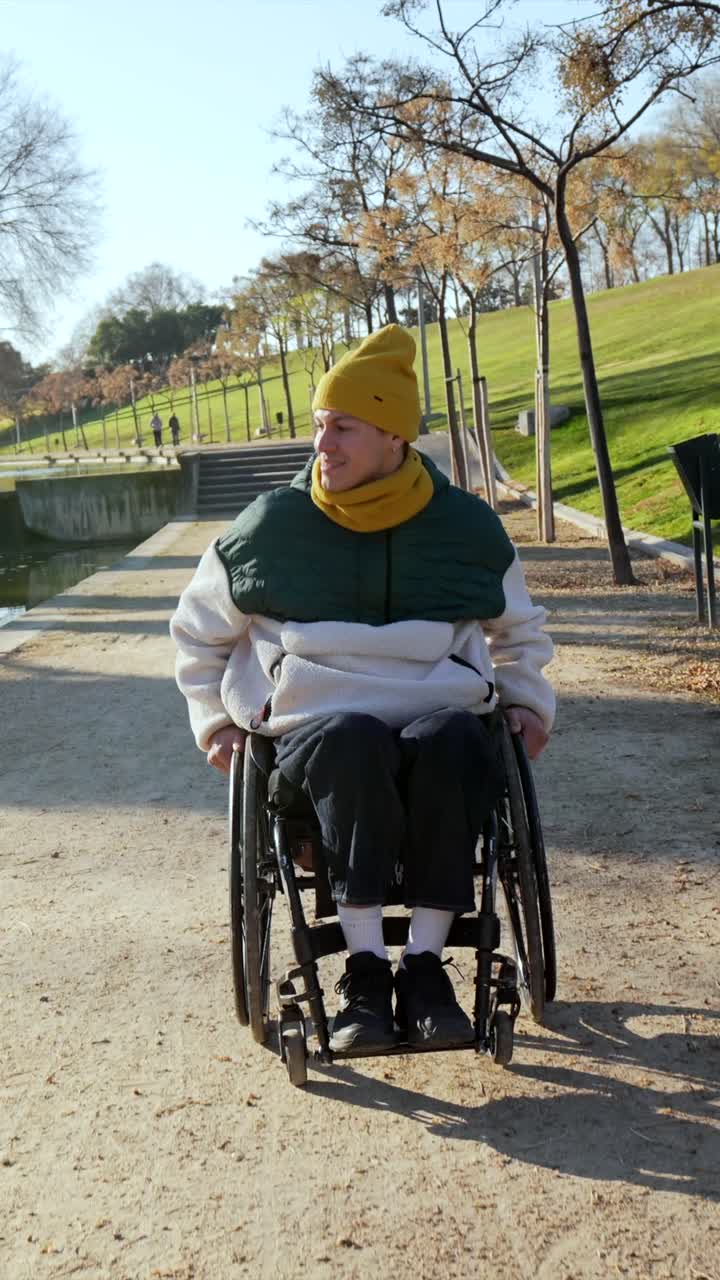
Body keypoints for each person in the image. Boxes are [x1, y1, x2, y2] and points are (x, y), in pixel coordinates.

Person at [170, 326, 555, 1053]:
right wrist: (211, 719)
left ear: (394, 436)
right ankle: (366, 972)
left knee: (450, 742)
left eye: (342, 428)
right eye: (319, 427)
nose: (323, 446)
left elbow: (520, 632)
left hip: (440, 713)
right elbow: (197, 632)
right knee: (350, 739)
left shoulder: (464, 528)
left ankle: (425, 971)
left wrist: (529, 701)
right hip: (317, 726)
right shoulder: (270, 527)